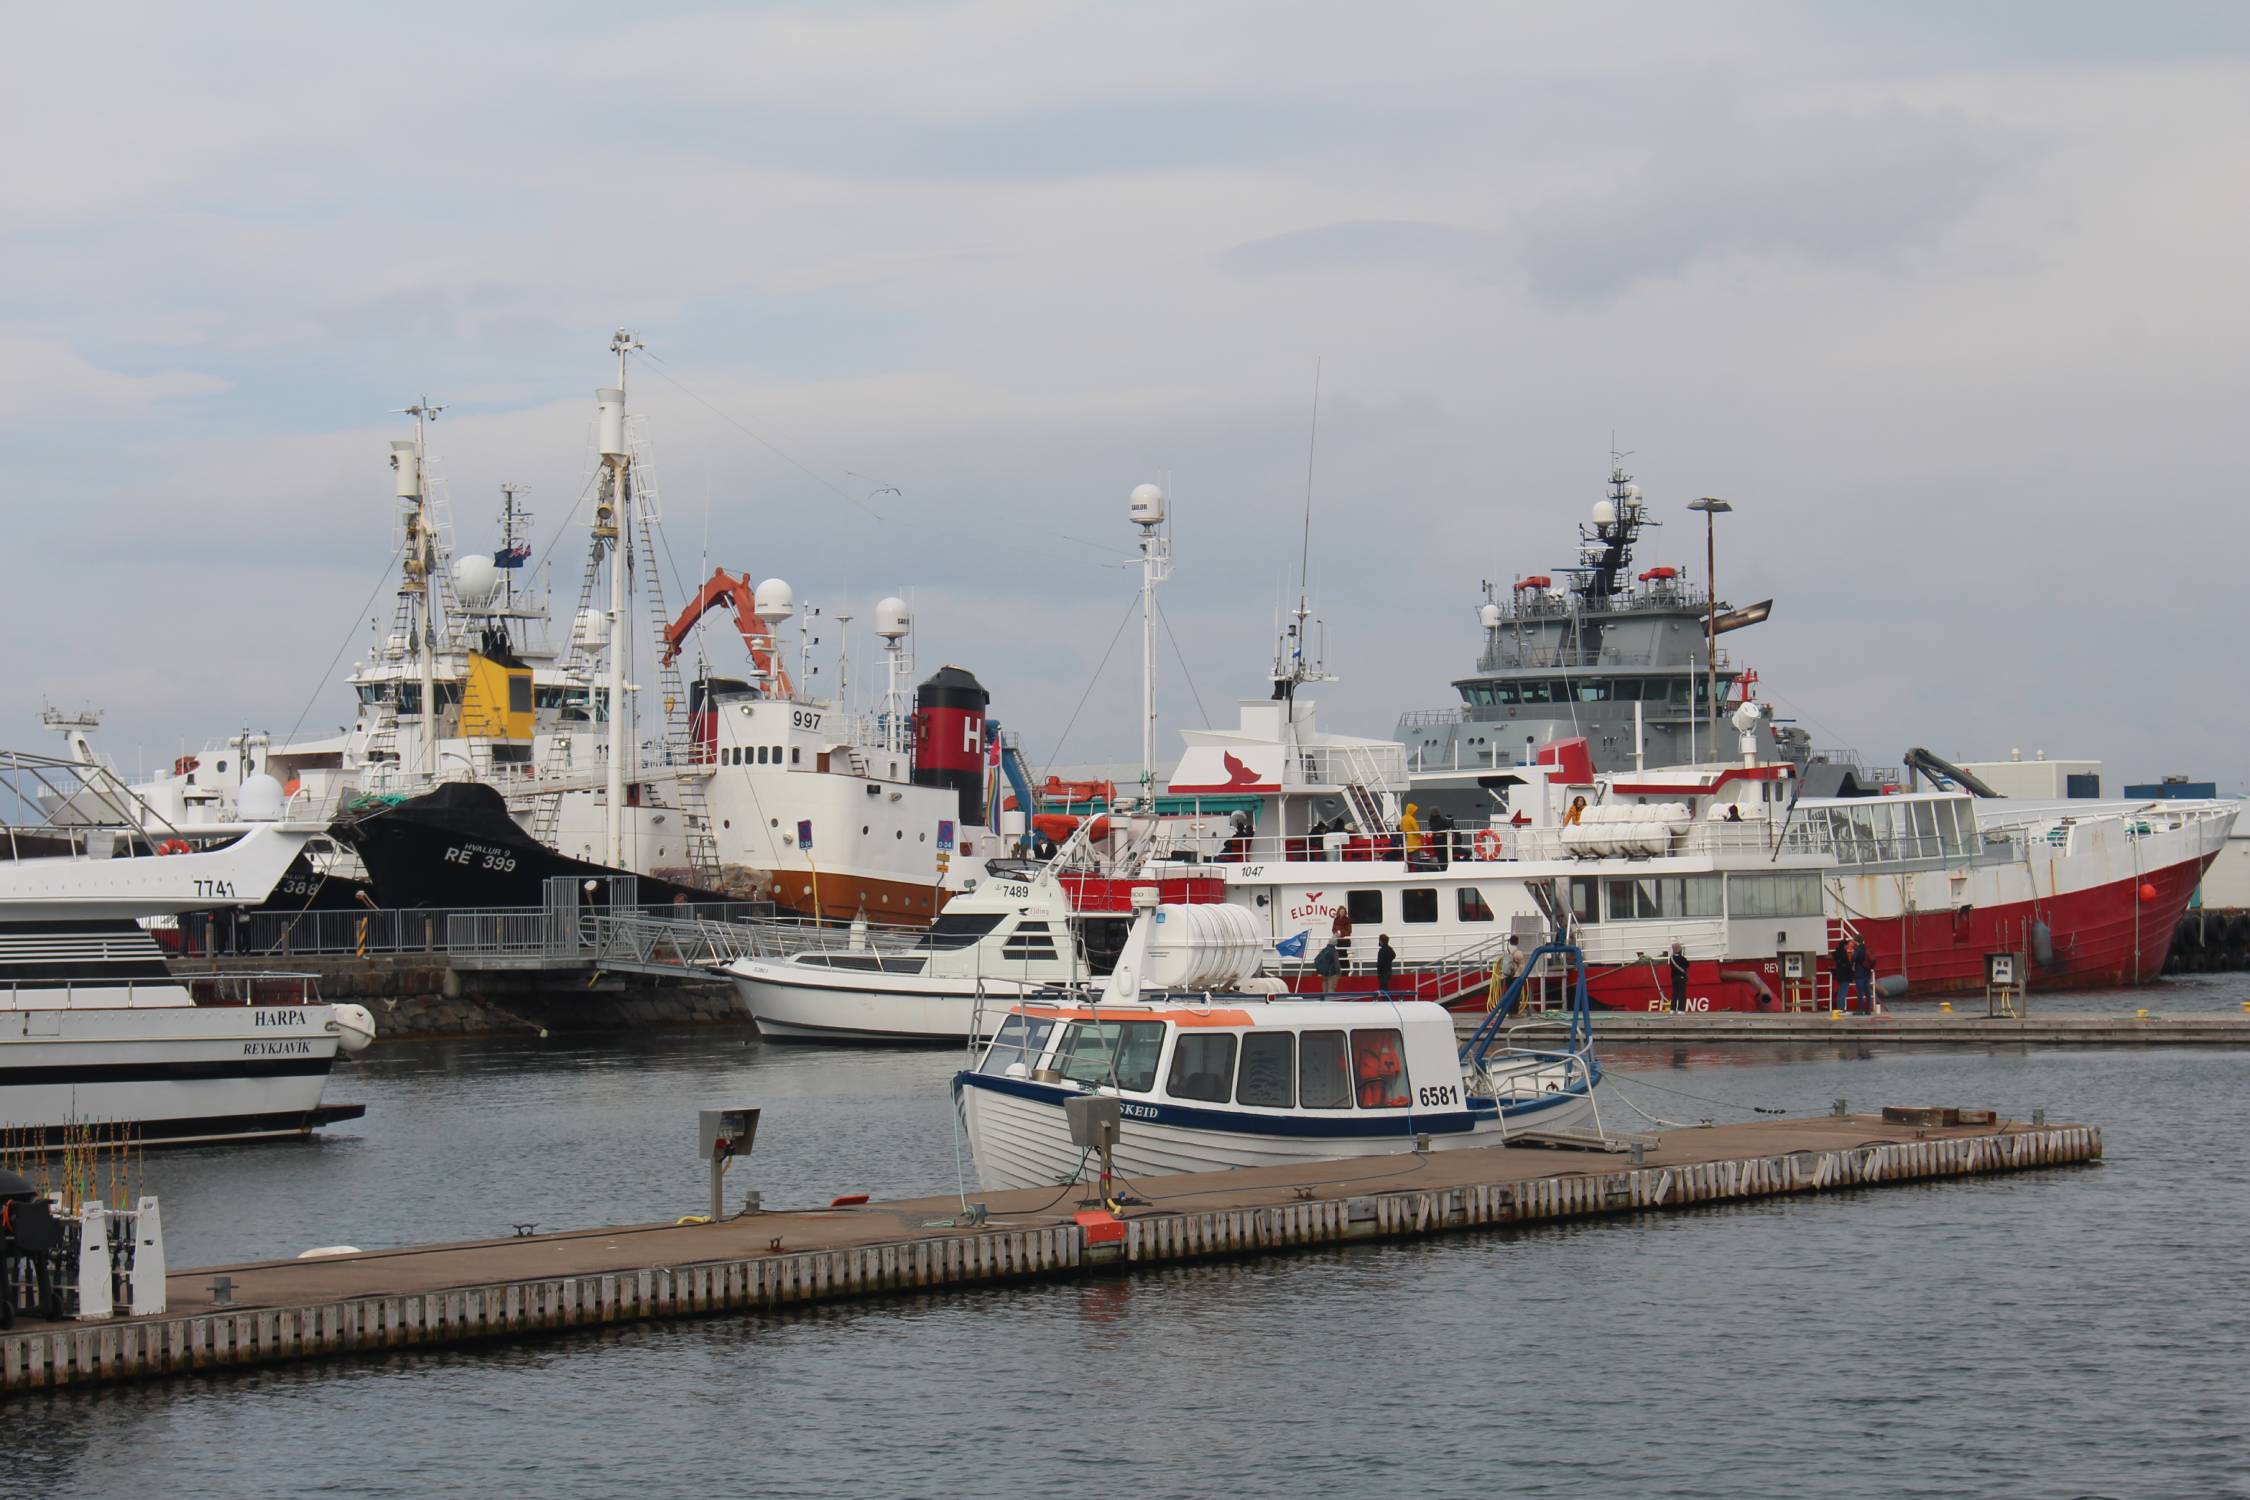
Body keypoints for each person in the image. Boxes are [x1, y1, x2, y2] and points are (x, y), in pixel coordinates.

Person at [1487, 934, 1525, 1012]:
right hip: (1516, 976)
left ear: (1510, 942)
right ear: (1517, 942)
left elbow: (1502, 963)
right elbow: (1522, 966)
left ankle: (1507, 1010)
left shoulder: (1506, 951)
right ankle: (1514, 1012)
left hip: (1507, 975)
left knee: (1508, 993)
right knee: (1516, 994)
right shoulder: (1518, 953)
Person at [1851, 938, 1876, 1014]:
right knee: (1867, 992)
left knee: (1860, 993)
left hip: (1859, 973)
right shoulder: (1866, 948)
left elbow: (1854, 959)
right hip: (1867, 973)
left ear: (1856, 941)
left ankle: (1860, 1010)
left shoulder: (1858, 949)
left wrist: (1853, 953)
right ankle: (1868, 1010)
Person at [1830, 934, 1853, 1007]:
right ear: (1844, 945)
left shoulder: (1836, 953)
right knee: (1843, 993)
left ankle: (1840, 1008)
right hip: (1845, 976)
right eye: (1847, 945)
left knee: (1840, 993)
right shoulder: (1844, 953)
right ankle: (1841, 1009)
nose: (1848, 947)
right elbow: (1847, 965)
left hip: (1840, 975)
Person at [1330, 906, 1354, 976]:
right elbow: (1333, 929)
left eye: (1343, 912)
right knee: (1339, 955)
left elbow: (1349, 931)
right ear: (1338, 912)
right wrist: (1336, 933)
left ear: (1345, 912)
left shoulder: (1348, 920)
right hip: (1338, 941)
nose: (1342, 913)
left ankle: (1345, 971)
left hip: (1345, 941)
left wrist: (1341, 934)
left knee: (1344, 955)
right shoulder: (1336, 919)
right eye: (1341, 912)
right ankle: (1341, 970)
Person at [1667, 941, 1689, 1013]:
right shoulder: (1682, 958)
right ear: (1680, 950)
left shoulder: (1671, 959)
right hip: (1681, 977)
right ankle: (1680, 1010)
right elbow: (1687, 965)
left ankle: (1672, 1009)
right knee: (1681, 994)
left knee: (1674, 994)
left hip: (1674, 978)